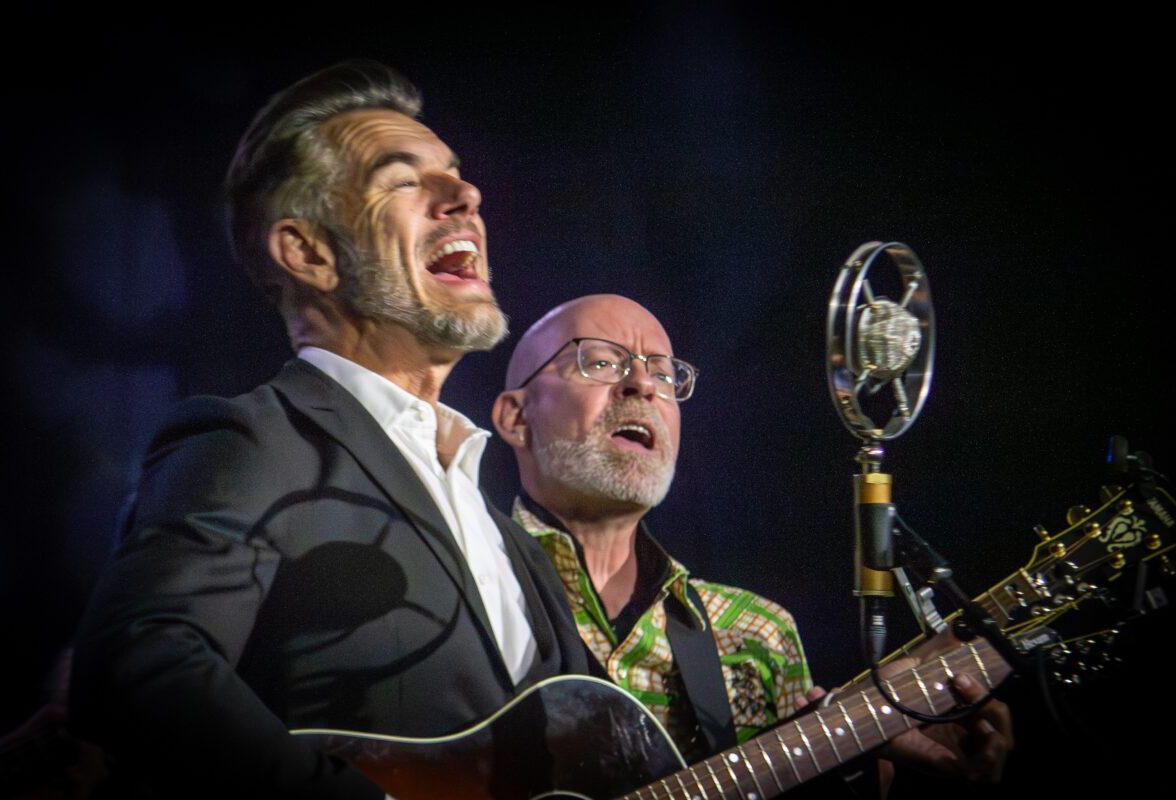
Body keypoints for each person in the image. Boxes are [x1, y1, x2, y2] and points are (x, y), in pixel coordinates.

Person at [68, 61, 591, 798]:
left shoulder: (507, 535)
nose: (466, 196)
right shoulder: (254, 441)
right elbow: (138, 667)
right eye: (405, 180)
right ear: (307, 252)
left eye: (457, 175)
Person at [492, 294, 1013, 789]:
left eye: (664, 372)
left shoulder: (757, 633)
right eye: (603, 362)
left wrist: (868, 769)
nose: (643, 385)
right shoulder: (464, 582)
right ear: (516, 418)